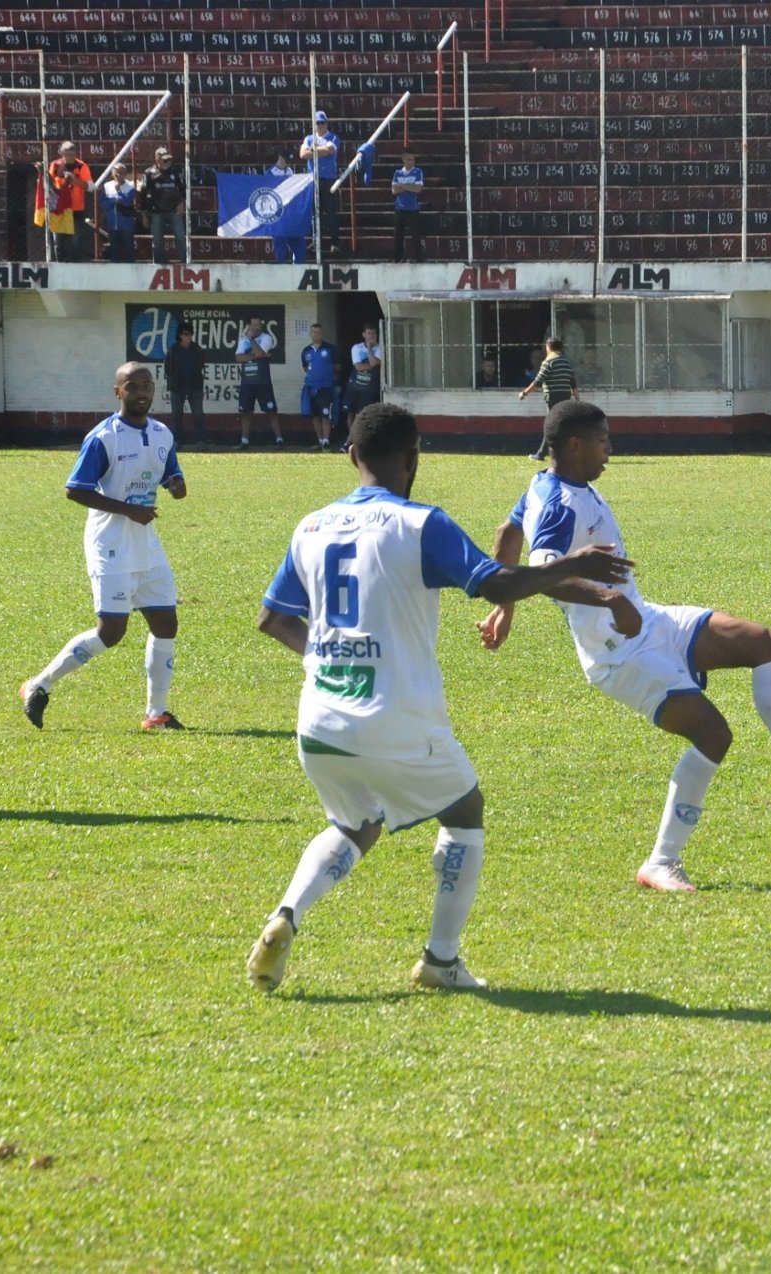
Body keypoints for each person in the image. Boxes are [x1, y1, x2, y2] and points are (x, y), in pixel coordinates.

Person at [246, 402, 637, 993]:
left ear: (351, 456)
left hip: (319, 718)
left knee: (356, 822)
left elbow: (273, 619)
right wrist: (571, 567)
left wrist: (328, 658)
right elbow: (496, 583)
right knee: (463, 810)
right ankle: (440, 960)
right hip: (395, 716)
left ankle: (287, 915)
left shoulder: (311, 524)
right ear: (414, 458)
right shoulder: (419, 523)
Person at [480, 400, 771, 892]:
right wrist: (606, 598)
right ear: (575, 445)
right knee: (714, 735)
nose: (610, 451)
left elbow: (507, 533)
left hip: (652, 621)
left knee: (764, 642)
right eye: (603, 440)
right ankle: (661, 862)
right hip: (617, 654)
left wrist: (505, 607)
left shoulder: (550, 486)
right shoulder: (559, 504)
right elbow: (541, 574)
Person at [20, 363, 187, 733]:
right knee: (111, 631)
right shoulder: (104, 437)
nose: (142, 392)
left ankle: (156, 713)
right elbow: (75, 489)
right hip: (110, 543)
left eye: (147, 385)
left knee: (166, 623)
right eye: (133, 386)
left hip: (146, 544)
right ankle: (39, 684)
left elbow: (170, 472)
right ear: (118, 392)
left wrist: (176, 484)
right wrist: (129, 510)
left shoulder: (162, 433)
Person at [234, 315, 284, 447]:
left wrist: (252, 342)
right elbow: (238, 358)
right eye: (255, 325)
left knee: (271, 411)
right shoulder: (242, 340)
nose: (258, 327)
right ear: (249, 326)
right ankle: (244, 441)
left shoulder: (266, 338)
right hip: (247, 382)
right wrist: (256, 355)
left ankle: (279, 439)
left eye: (259, 324)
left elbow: (259, 352)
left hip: (263, 381)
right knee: (246, 412)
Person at [300, 111, 341, 256]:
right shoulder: (309, 138)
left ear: (326, 123)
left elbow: (329, 150)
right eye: (318, 123)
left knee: (331, 212)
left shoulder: (333, 137)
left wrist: (313, 150)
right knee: (313, 212)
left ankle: (334, 242)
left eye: (322, 123)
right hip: (313, 179)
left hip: (328, 179)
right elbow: (302, 154)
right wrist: (318, 151)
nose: (320, 126)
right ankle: (315, 241)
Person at [299, 322, 344, 450]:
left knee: (326, 414)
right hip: (311, 387)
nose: (316, 334)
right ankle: (320, 441)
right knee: (315, 415)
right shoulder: (306, 351)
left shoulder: (330, 349)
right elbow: (305, 367)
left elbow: (338, 366)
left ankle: (326, 440)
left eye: (318, 332)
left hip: (326, 387)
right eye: (314, 332)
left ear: (322, 334)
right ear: (310, 333)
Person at [162, 322, 207, 445]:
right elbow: (167, 368)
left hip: (195, 387)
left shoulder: (197, 349)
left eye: (190, 334)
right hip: (177, 388)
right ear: (180, 335)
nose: (189, 337)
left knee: (198, 414)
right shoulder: (173, 350)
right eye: (186, 334)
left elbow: (201, 364)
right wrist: (174, 380)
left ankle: (201, 440)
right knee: (176, 415)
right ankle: (177, 440)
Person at [141, 147, 187, 266]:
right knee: (157, 240)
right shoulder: (149, 173)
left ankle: (185, 262)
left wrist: (181, 204)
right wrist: (144, 214)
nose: (168, 162)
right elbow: (143, 194)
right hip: (156, 212)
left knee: (181, 237)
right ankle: (158, 264)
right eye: (164, 160)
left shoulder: (175, 172)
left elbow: (183, 189)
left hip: (174, 210)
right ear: (157, 159)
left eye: (169, 160)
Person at [265, 148, 306, 265]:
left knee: (300, 251)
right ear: (280, 158)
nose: (288, 163)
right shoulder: (270, 174)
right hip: (279, 220)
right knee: (280, 253)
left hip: (292, 218)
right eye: (286, 160)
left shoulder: (291, 172)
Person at [56, 142, 94, 259]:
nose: (71, 157)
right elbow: (50, 183)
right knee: (59, 241)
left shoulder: (81, 166)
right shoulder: (55, 165)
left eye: (73, 154)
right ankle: (60, 264)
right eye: (68, 154)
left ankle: (75, 264)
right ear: (62, 153)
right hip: (59, 209)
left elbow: (91, 187)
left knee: (75, 241)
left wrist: (75, 180)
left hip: (76, 209)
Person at [342, 324, 382, 436]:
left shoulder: (380, 348)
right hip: (354, 386)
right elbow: (358, 367)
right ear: (363, 334)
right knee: (350, 413)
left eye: (373, 333)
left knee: (361, 414)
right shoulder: (356, 347)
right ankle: (352, 437)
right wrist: (372, 365)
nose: (371, 336)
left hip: (368, 388)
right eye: (369, 333)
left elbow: (373, 363)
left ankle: (356, 438)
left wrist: (369, 348)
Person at [97, 163, 138, 264]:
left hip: (126, 225)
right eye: (117, 173)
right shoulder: (107, 186)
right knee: (114, 252)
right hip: (112, 225)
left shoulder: (130, 186)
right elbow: (103, 204)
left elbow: (127, 202)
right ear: (112, 173)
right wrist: (115, 200)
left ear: (125, 174)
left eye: (122, 173)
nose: (119, 175)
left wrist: (118, 191)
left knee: (129, 250)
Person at [518, 338, 576, 408]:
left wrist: (524, 393)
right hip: (566, 398)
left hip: (553, 398)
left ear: (549, 348)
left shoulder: (548, 362)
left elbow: (538, 381)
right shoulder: (567, 363)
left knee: (553, 417)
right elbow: (573, 384)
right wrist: (577, 400)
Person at [390, 149, 425, 263]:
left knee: (416, 235)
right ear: (403, 159)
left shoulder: (418, 172)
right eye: (409, 159)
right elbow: (394, 190)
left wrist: (403, 186)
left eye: (413, 160)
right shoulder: (397, 173)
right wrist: (409, 186)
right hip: (399, 208)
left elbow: (417, 189)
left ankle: (419, 258)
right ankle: (398, 258)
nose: (411, 162)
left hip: (413, 209)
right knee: (398, 236)